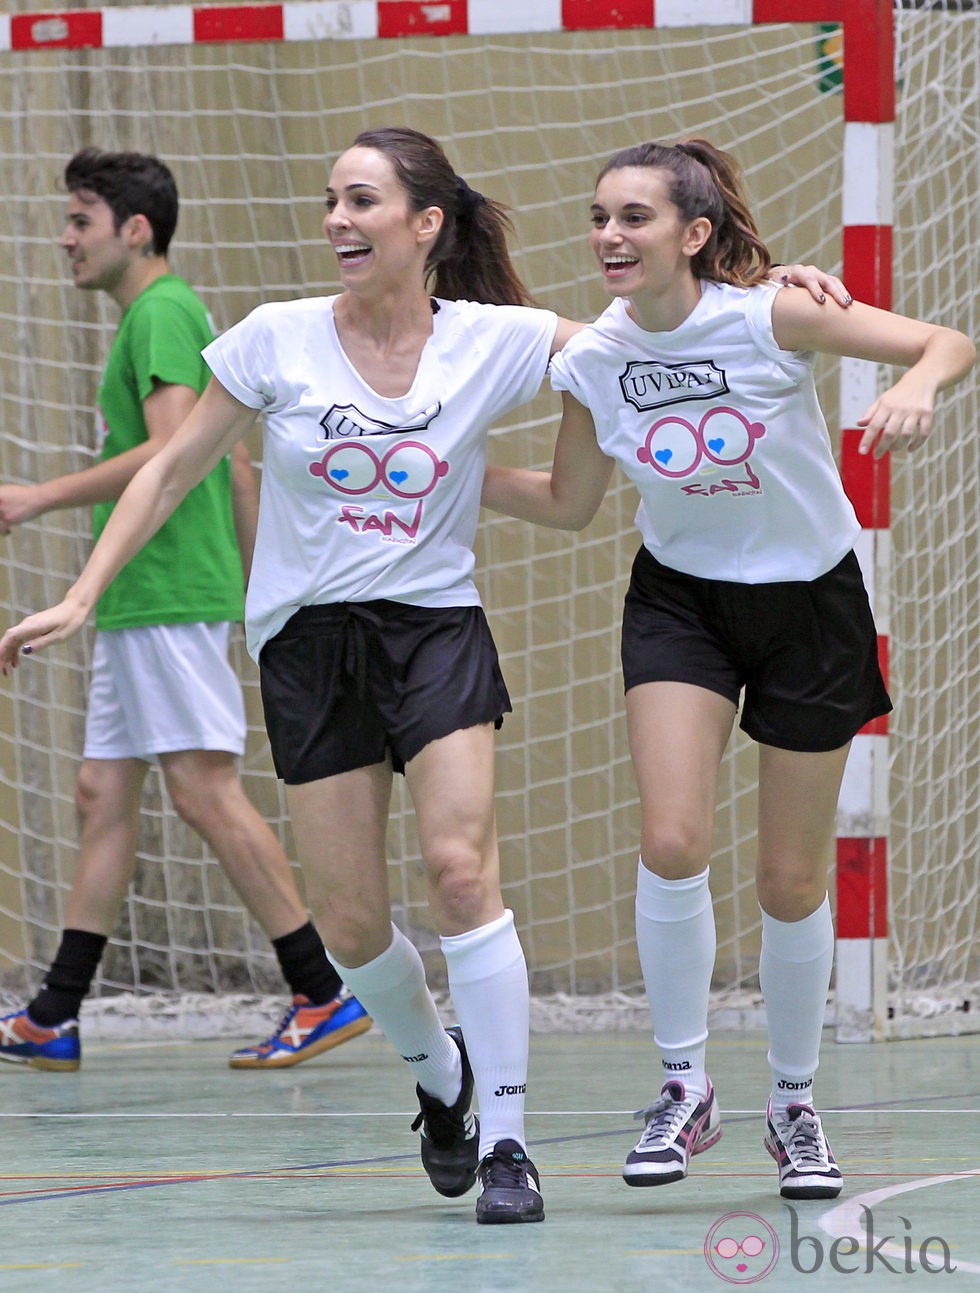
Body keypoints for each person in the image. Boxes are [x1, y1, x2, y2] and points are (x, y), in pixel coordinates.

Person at [0, 130, 849, 1220]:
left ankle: (504, 1140)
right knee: (351, 926)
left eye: (361, 201)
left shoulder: (497, 342)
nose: (338, 221)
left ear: (425, 223)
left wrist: (773, 288)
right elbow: (170, 468)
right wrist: (79, 593)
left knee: (460, 870)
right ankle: (438, 1075)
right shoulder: (275, 340)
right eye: (330, 202)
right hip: (309, 641)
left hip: (437, 628)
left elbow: (660, 324)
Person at [481, 138, 975, 1203]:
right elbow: (568, 502)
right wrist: (442, 468)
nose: (609, 236)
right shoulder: (593, 357)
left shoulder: (773, 313)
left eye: (633, 218)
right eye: (599, 217)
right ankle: (681, 1084)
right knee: (669, 839)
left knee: (789, 880)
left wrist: (917, 390)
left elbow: (946, 340)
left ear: (692, 234)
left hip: (809, 603)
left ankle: (792, 1104)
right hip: (680, 603)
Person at [0, 149, 370, 1074]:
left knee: (203, 788)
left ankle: (321, 987)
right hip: (142, 596)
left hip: (166, 588)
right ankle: (54, 1011)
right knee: (101, 793)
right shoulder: (156, 315)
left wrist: (36, 497)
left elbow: (174, 450)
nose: (65, 237)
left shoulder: (161, 310)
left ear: (135, 229)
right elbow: (233, 466)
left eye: (81, 218)